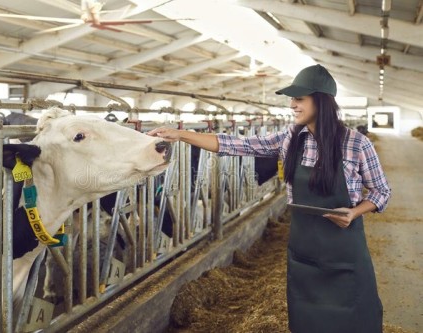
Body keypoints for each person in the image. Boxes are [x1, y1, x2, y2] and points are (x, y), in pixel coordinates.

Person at [147, 64, 391, 333]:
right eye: (292, 99)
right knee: (308, 323)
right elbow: (233, 144)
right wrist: (180, 135)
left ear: (321, 101)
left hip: (345, 255)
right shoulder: (290, 139)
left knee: (354, 319)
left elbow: (382, 192)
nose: (292, 105)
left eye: (299, 99)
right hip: (304, 255)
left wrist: (355, 213)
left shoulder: (356, 143)